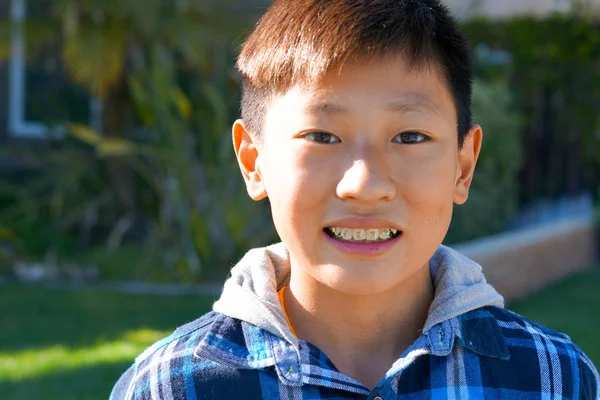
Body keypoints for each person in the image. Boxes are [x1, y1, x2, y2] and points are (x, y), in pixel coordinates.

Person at [110, 0, 600, 398]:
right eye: (322, 136)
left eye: (409, 137)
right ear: (253, 162)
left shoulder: (554, 380)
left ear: (463, 165)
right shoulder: (169, 388)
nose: (364, 184)